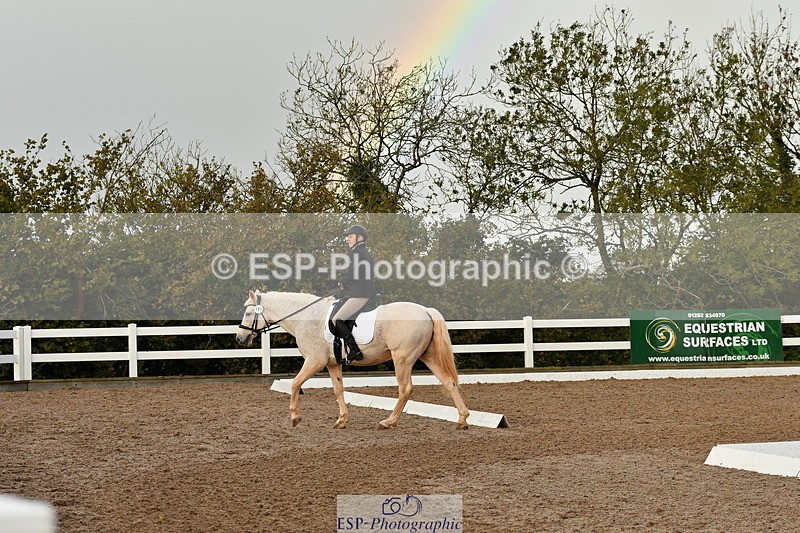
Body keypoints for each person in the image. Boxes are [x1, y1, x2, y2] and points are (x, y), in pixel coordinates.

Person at [332, 224, 376, 362]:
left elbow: (353, 273)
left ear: (360, 238)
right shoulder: (363, 252)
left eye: (350, 236)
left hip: (361, 294)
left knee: (337, 319)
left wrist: (343, 282)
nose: (348, 239)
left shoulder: (357, 252)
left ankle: (355, 351)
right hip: (362, 290)